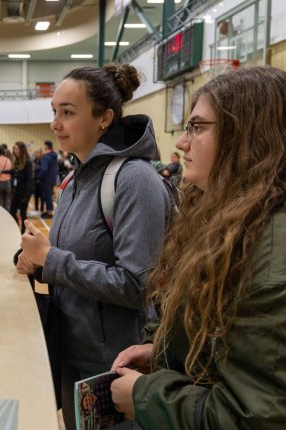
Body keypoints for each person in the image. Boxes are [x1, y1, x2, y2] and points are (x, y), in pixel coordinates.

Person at [110, 66, 286, 429]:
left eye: (197, 127)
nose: (181, 142)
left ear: (247, 137)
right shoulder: (232, 219)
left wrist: (145, 395)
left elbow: (254, 418)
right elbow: (221, 346)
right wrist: (165, 352)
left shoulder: (269, 258)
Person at [16, 64, 171, 430]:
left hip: (114, 367)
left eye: (67, 113)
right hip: (72, 351)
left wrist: (51, 260)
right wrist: (34, 261)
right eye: (54, 111)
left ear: (104, 118)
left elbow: (137, 285)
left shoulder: (135, 180)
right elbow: (76, 255)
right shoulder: (74, 179)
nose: (56, 123)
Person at [9, 141, 34, 233]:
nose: (15, 150)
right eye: (14, 148)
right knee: (12, 211)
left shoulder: (28, 162)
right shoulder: (16, 161)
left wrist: (27, 196)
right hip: (16, 191)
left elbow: (29, 180)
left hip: (24, 192)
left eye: (17, 149)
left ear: (21, 150)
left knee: (23, 214)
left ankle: (24, 232)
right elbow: (15, 176)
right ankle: (18, 229)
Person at [38, 140, 58, 218]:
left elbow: (44, 169)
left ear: (46, 147)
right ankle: (48, 211)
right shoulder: (54, 156)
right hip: (52, 179)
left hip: (46, 179)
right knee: (49, 195)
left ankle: (49, 212)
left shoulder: (46, 157)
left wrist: (39, 177)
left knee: (47, 196)